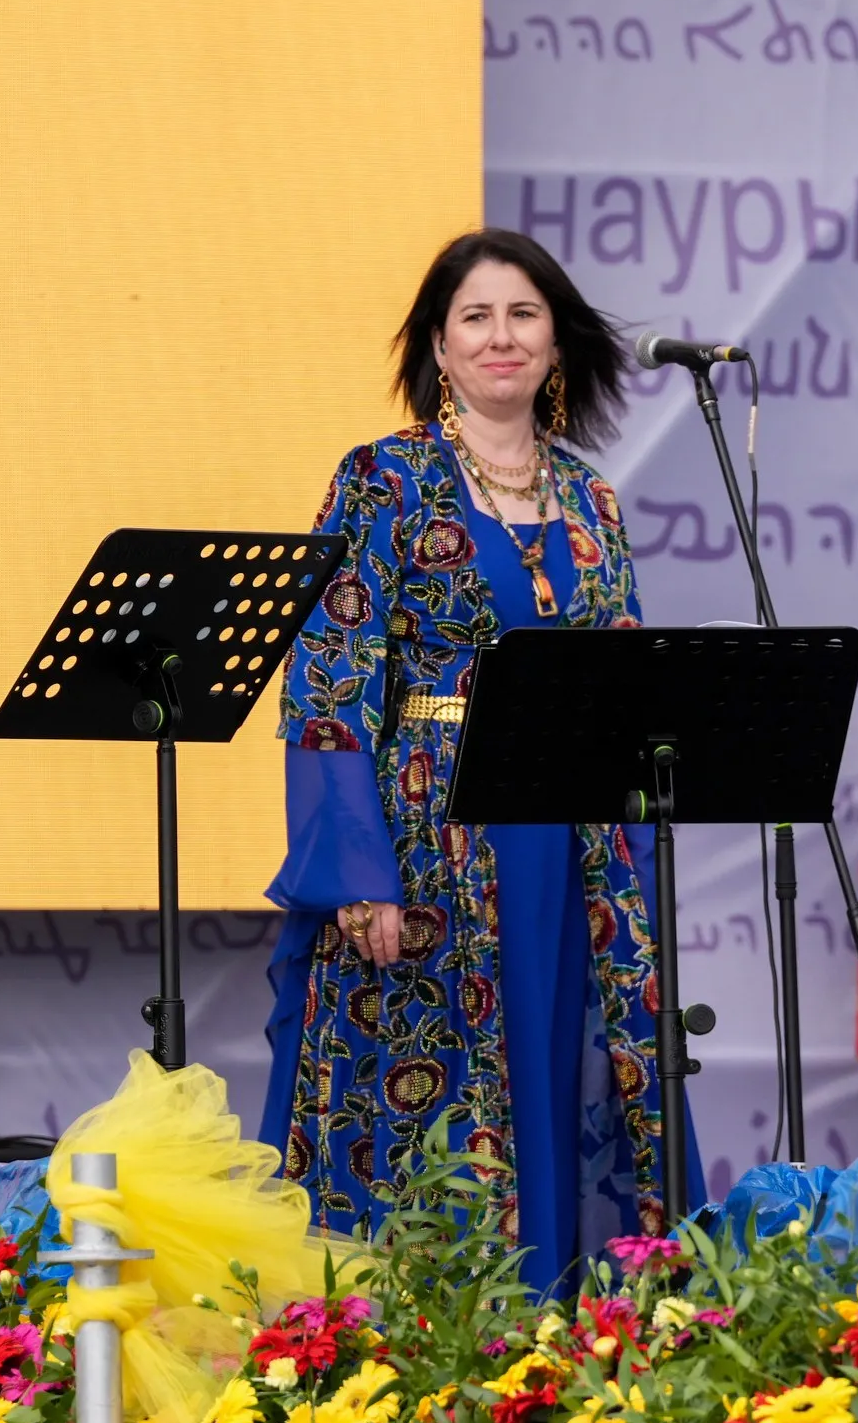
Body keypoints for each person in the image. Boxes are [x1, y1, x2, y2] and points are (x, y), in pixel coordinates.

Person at [259, 227, 675, 1290]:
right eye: (475, 317)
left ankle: (556, 1345)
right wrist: (355, 873)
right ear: (438, 349)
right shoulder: (383, 479)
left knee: (560, 1078)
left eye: (522, 313)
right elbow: (329, 681)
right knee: (426, 1113)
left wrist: (629, 878)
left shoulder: (593, 500)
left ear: (556, 339)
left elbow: (624, 684)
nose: (501, 336)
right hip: (426, 839)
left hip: (569, 842)